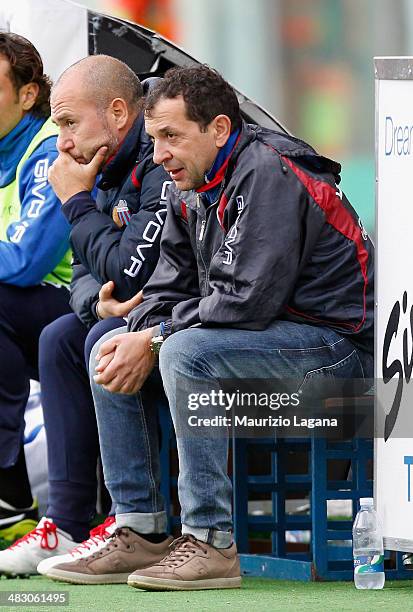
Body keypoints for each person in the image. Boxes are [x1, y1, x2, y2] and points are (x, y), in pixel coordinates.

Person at [53, 64, 374, 590]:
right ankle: (139, 529)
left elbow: (248, 302)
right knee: (110, 345)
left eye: (172, 137)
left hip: (339, 351)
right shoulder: (191, 182)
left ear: (219, 129)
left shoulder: (268, 172)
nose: (158, 155)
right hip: (269, 342)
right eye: (154, 138)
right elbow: (165, 288)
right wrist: (143, 330)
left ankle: (210, 541)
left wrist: (156, 338)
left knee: (183, 352)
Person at [0, 55, 174, 577]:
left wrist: (76, 200)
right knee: (64, 335)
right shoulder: (102, 160)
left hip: (179, 317)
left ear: (119, 113)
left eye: (70, 123)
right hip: (112, 311)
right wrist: (93, 299)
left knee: (97, 337)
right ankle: (65, 522)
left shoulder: (153, 161)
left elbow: (126, 267)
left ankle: (133, 522)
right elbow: (85, 272)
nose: (63, 142)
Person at [0, 32, 72, 547]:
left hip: (74, 310)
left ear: (27, 94)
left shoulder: (48, 149)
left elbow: (27, 261)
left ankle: (9, 496)